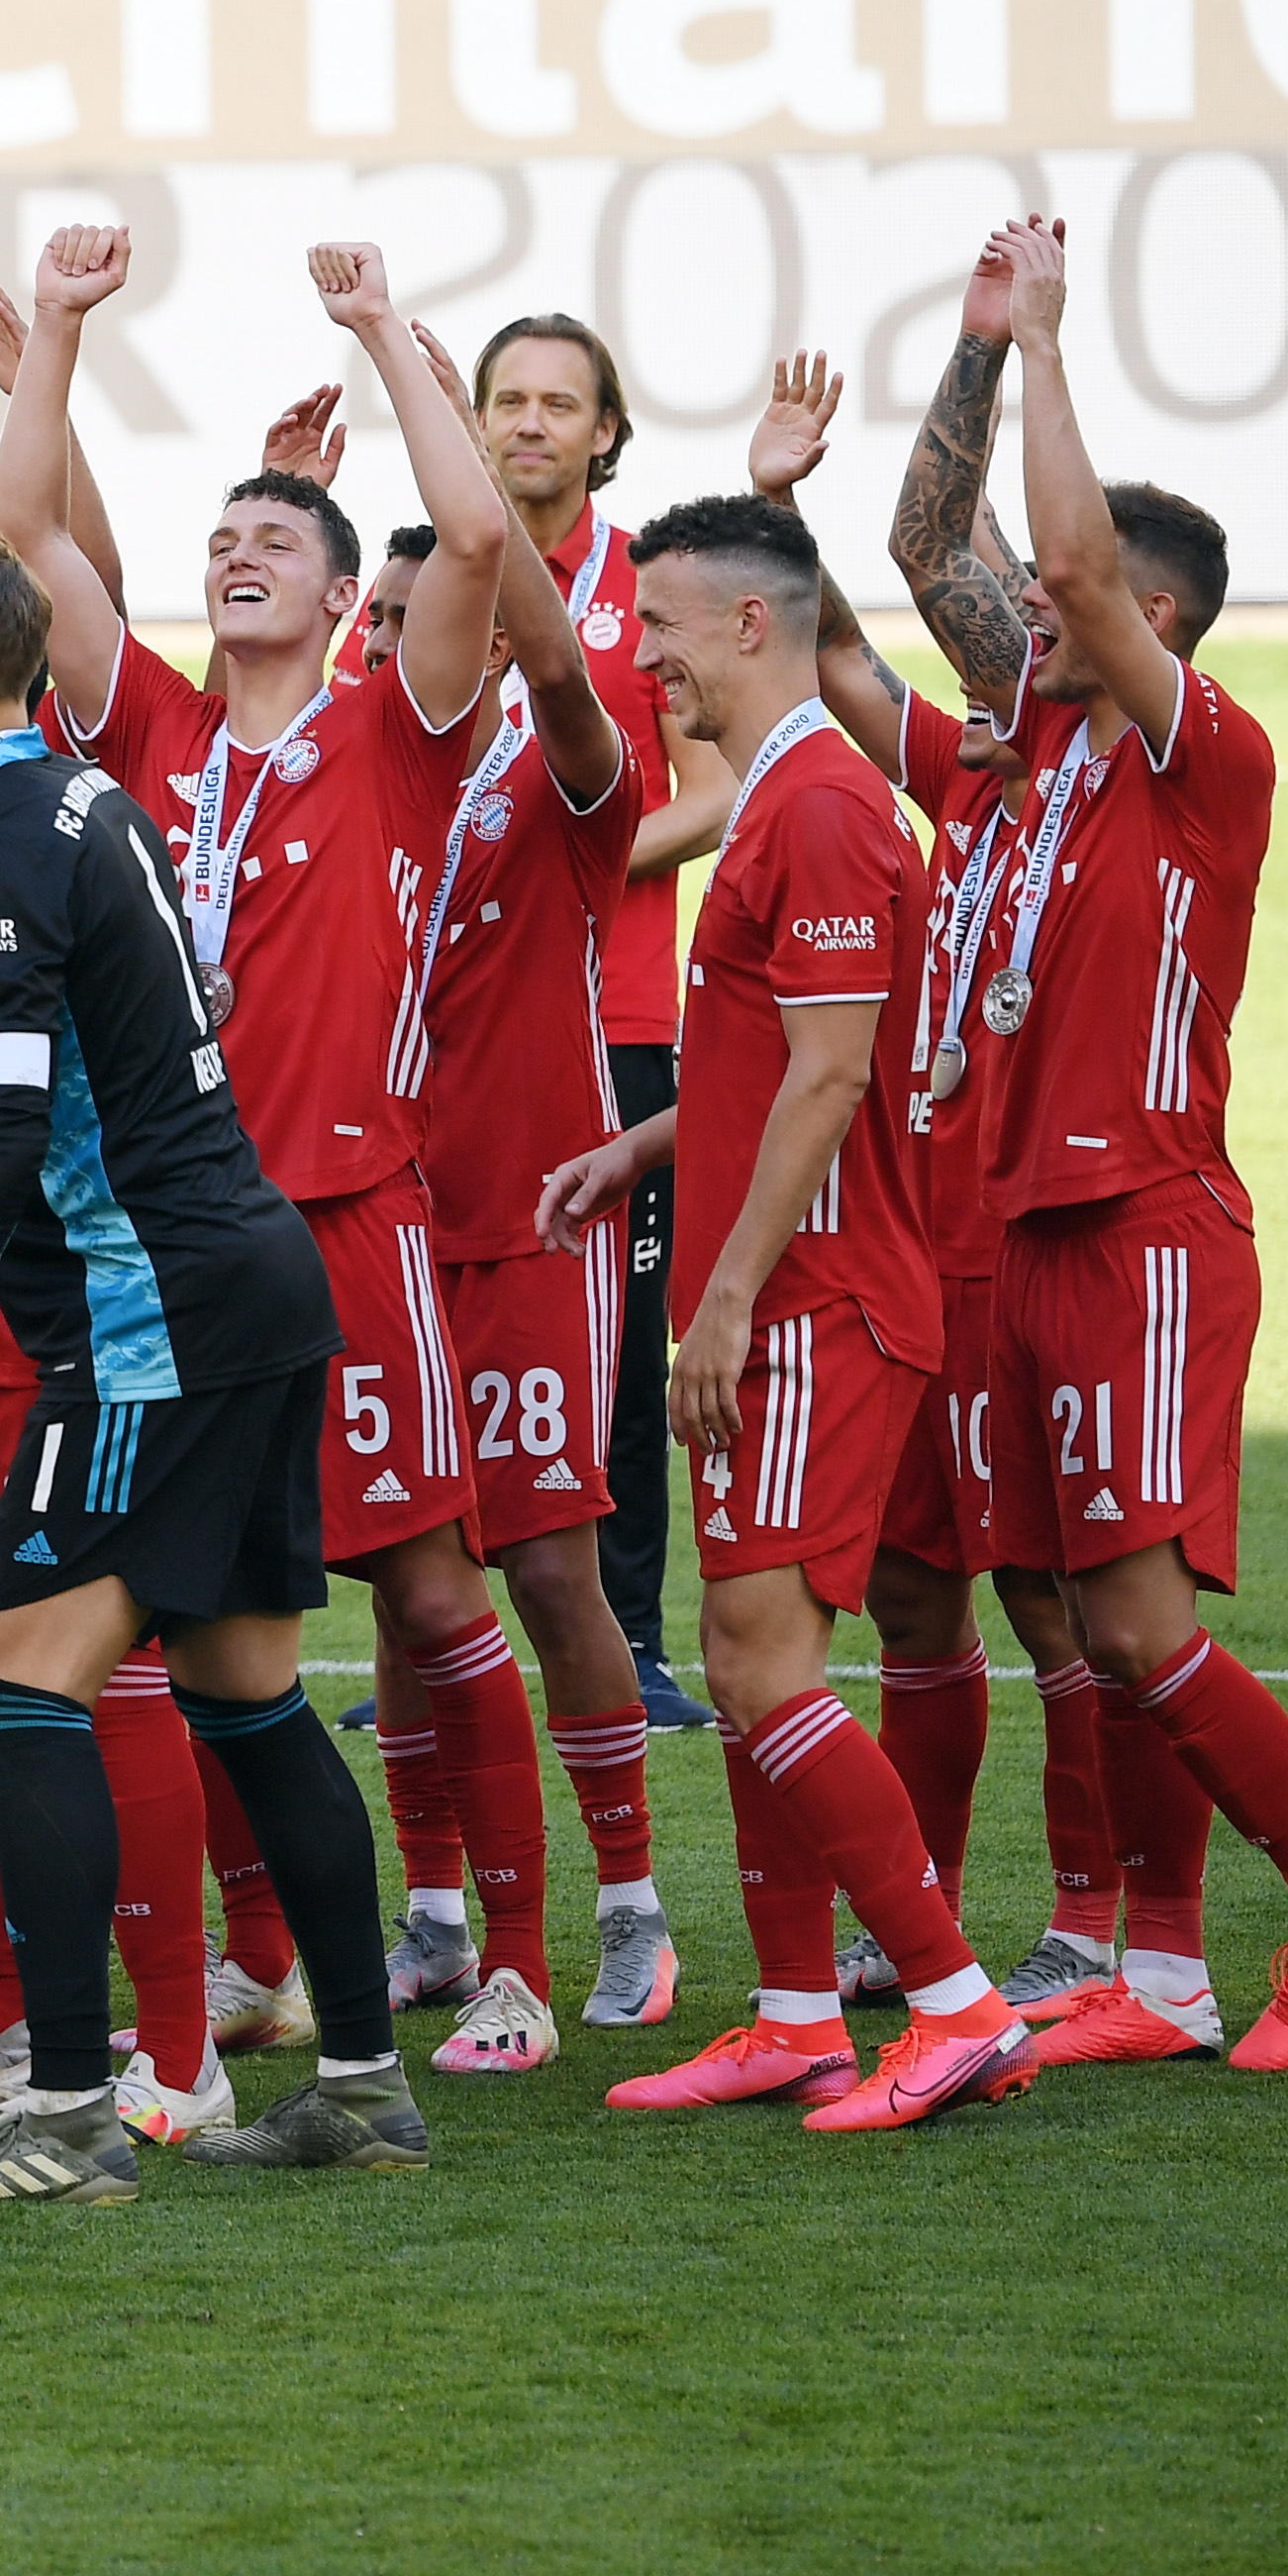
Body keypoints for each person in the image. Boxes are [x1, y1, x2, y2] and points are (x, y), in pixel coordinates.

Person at [0, 520, 415, 2202]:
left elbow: (1, 1139)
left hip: (154, 1325)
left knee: (14, 1681)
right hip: (247, 1281)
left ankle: (60, 2117)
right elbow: (102, 1072)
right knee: (246, 1695)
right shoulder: (82, 798)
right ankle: (356, 2079)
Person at [0, 230, 560, 2071]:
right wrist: (54, 341)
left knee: (422, 1590)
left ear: (336, 603)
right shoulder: (146, 730)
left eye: (277, 544)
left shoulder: (393, 734)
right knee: (204, 1633)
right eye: (221, 539)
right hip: (166, 1244)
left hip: (344, 1221)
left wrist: (386, 333)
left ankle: (515, 1964)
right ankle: (287, 1982)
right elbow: (23, 553)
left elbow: (473, 543)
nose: (239, 555)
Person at [885, 220, 1288, 2078]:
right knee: (1093, 1635)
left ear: (1148, 623)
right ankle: (1168, 1972)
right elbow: (920, 549)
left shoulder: (1204, 756)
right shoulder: (1013, 749)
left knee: (1138, 1620)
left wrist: (1047, 343)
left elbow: (1067, 561)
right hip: (1014, 1226)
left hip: (1144, 1222)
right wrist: (964, 353)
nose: (1016, 615)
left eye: (1054, 605)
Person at [528, 498, 1037, 2131]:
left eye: (658, 628)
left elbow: (831, 1078)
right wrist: (639, 1146)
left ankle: (947, 2002)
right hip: (779, 1288)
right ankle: (801, 2013)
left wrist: (727, 1293)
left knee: (755, 1659)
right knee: (754, 1653)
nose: (640, 657)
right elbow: (772, 1061)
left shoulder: (818, 805)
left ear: (747, 627)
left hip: (810, 1300)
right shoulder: (781, 797)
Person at [746, 358, 1129, 2016]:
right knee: (912, 1592)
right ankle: (925, 1908)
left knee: (1052, 1599)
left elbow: (921, 543)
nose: (1017, 644)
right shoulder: (966, 777)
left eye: (1044, 625)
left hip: (1034, 1232)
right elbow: (832, 643)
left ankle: (1092, 1914)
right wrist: (769, 508)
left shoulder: (1116, 777)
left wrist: (994, 346)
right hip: (918, 1237)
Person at [341, 423, 668, 2068]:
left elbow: (552, 666)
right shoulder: (339, 776)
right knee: (410, 1581)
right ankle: (432, 1917)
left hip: (531, 1207)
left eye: (429, 614)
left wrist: (478, 514)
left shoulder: (560, 771)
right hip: (379, 1217)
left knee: (543, 1562)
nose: (404, 643)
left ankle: (626, 1907)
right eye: (385, 620)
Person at [464, 311, 730, 1738]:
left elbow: (712, 792)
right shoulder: (432, 578)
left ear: (604, 432)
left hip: (609, 1022)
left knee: (619, 1342)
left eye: (556, 403)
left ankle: (629, 1637)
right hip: (443, 1032)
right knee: (439, 1318)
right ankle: (432, 1640)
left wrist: (561, 849)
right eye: (505, 400)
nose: (527, 424)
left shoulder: (645, 590)